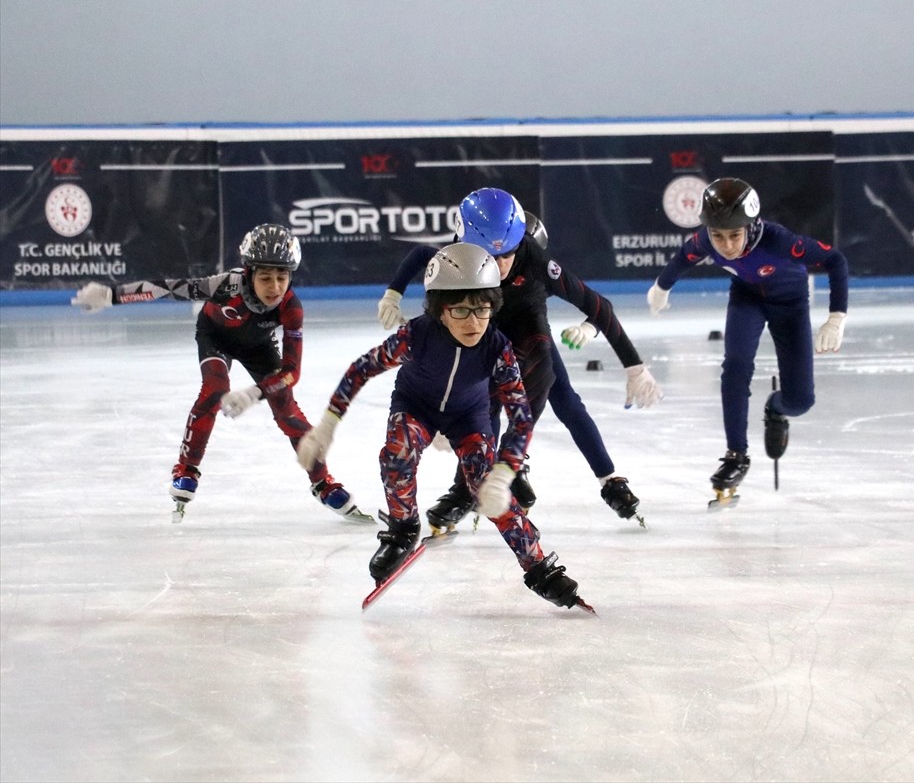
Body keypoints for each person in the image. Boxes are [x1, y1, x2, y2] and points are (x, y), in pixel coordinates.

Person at [297, 242, 589, 611]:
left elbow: (520, 415)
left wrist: (505, 472)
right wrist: (328, 424)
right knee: (398, 453)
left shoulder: (498, 348)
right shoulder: (416, 335)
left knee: (488, 487)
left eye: (482, 309)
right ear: (439, 310)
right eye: (461, 310)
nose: (473, 322)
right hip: (416, 407)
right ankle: (403, 528)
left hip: (468, 417)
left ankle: (538, 566)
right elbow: (362, 369)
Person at [377, 188, 662, 528]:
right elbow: (422, 257)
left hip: (527, 328)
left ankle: (604, 478)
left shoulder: (535, 260)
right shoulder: (457, 257)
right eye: (490, 256)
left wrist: (633, 365)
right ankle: (469, 487)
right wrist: (392, 294)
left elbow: (599, 305)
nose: (499, 267)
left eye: (507, 255)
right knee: (483, 401)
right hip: (486, 329)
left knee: (561, 395)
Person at [70, 223, 367, 523]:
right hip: (215, 337)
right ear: (249, 273)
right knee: (214, 390)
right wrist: (111, 295)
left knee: (286, 409)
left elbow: (292, 372)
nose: (275, 288)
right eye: (265, 278)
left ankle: (323, 482)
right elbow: (169, 288)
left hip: (259, 346)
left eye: (282, 277)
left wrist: (254, 393)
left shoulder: (291, 307)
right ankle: (186, 468)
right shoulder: (226, 285)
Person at [645, 178, 850, 501]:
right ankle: (735, 456)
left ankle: (776, 407)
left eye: (734, 235)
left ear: (751, 228)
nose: (726, 245)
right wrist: (661, 287)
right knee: (736, 366)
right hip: (747, 299)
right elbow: (685, 256)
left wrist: (836, 317)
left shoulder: (780, 242)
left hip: (790, 303)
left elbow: (835, 260)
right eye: (718, 236)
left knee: (800, 402)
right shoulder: (706, 240)